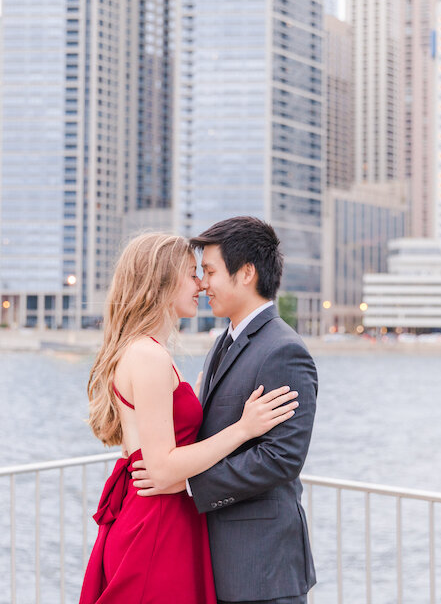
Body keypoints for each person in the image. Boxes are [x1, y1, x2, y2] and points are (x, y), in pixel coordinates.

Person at [80, 232, 300, 604]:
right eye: (190, 273)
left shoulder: (147, 352)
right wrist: (243, 428)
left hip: (162, 516)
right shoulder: (147, 356)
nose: (200, 284)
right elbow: (163, 468)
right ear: (162, 282)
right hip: (158, 521)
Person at [133, 217, 318, 604]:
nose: (202, 283)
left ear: (246, 272)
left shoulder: (284, 350)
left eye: (210, 271)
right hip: (218, 558)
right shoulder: (224, 342)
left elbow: (280, 459)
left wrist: (185, 484)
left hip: (261, 567)